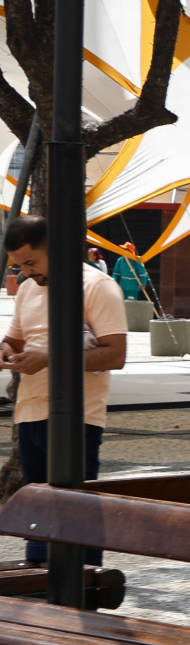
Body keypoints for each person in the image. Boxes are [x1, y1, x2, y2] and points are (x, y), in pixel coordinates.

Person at [1, 215, 129, 567]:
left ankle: (85, 585)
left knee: (77, 513)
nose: (26, 272)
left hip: (78, 415)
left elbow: (115, 355)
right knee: (39, 509)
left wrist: (49, 358)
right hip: (30, 413)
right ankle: (39, 580)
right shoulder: (28, 288)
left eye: (30, 262)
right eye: (19, 265)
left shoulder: (97, 286)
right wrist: (5, 352)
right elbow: (14, 340)